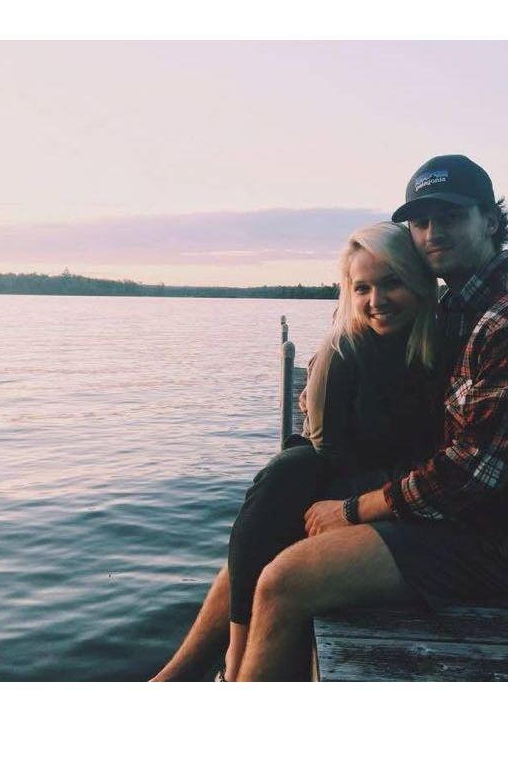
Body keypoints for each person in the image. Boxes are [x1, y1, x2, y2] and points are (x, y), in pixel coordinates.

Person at [226, 154, 508, 681]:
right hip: (460, 512)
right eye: (420, 222)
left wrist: (352, 510)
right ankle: (194, 675)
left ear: (490, 221)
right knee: (274, 512)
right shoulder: (455, 308)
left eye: (450, 217)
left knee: (286, 580)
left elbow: (473, 473)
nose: (432, 233)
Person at [150, 222, 440, 681]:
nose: (376, 300)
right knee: (289, 473)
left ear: (419, 282)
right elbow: (329, 453)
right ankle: (218, 664)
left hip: (410, 498)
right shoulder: (341, 352)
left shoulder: (447, 346)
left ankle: (203, 672)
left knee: (274, 539)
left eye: (392, 283)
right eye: (362, 288)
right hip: (350, 483)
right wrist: (354, 504)